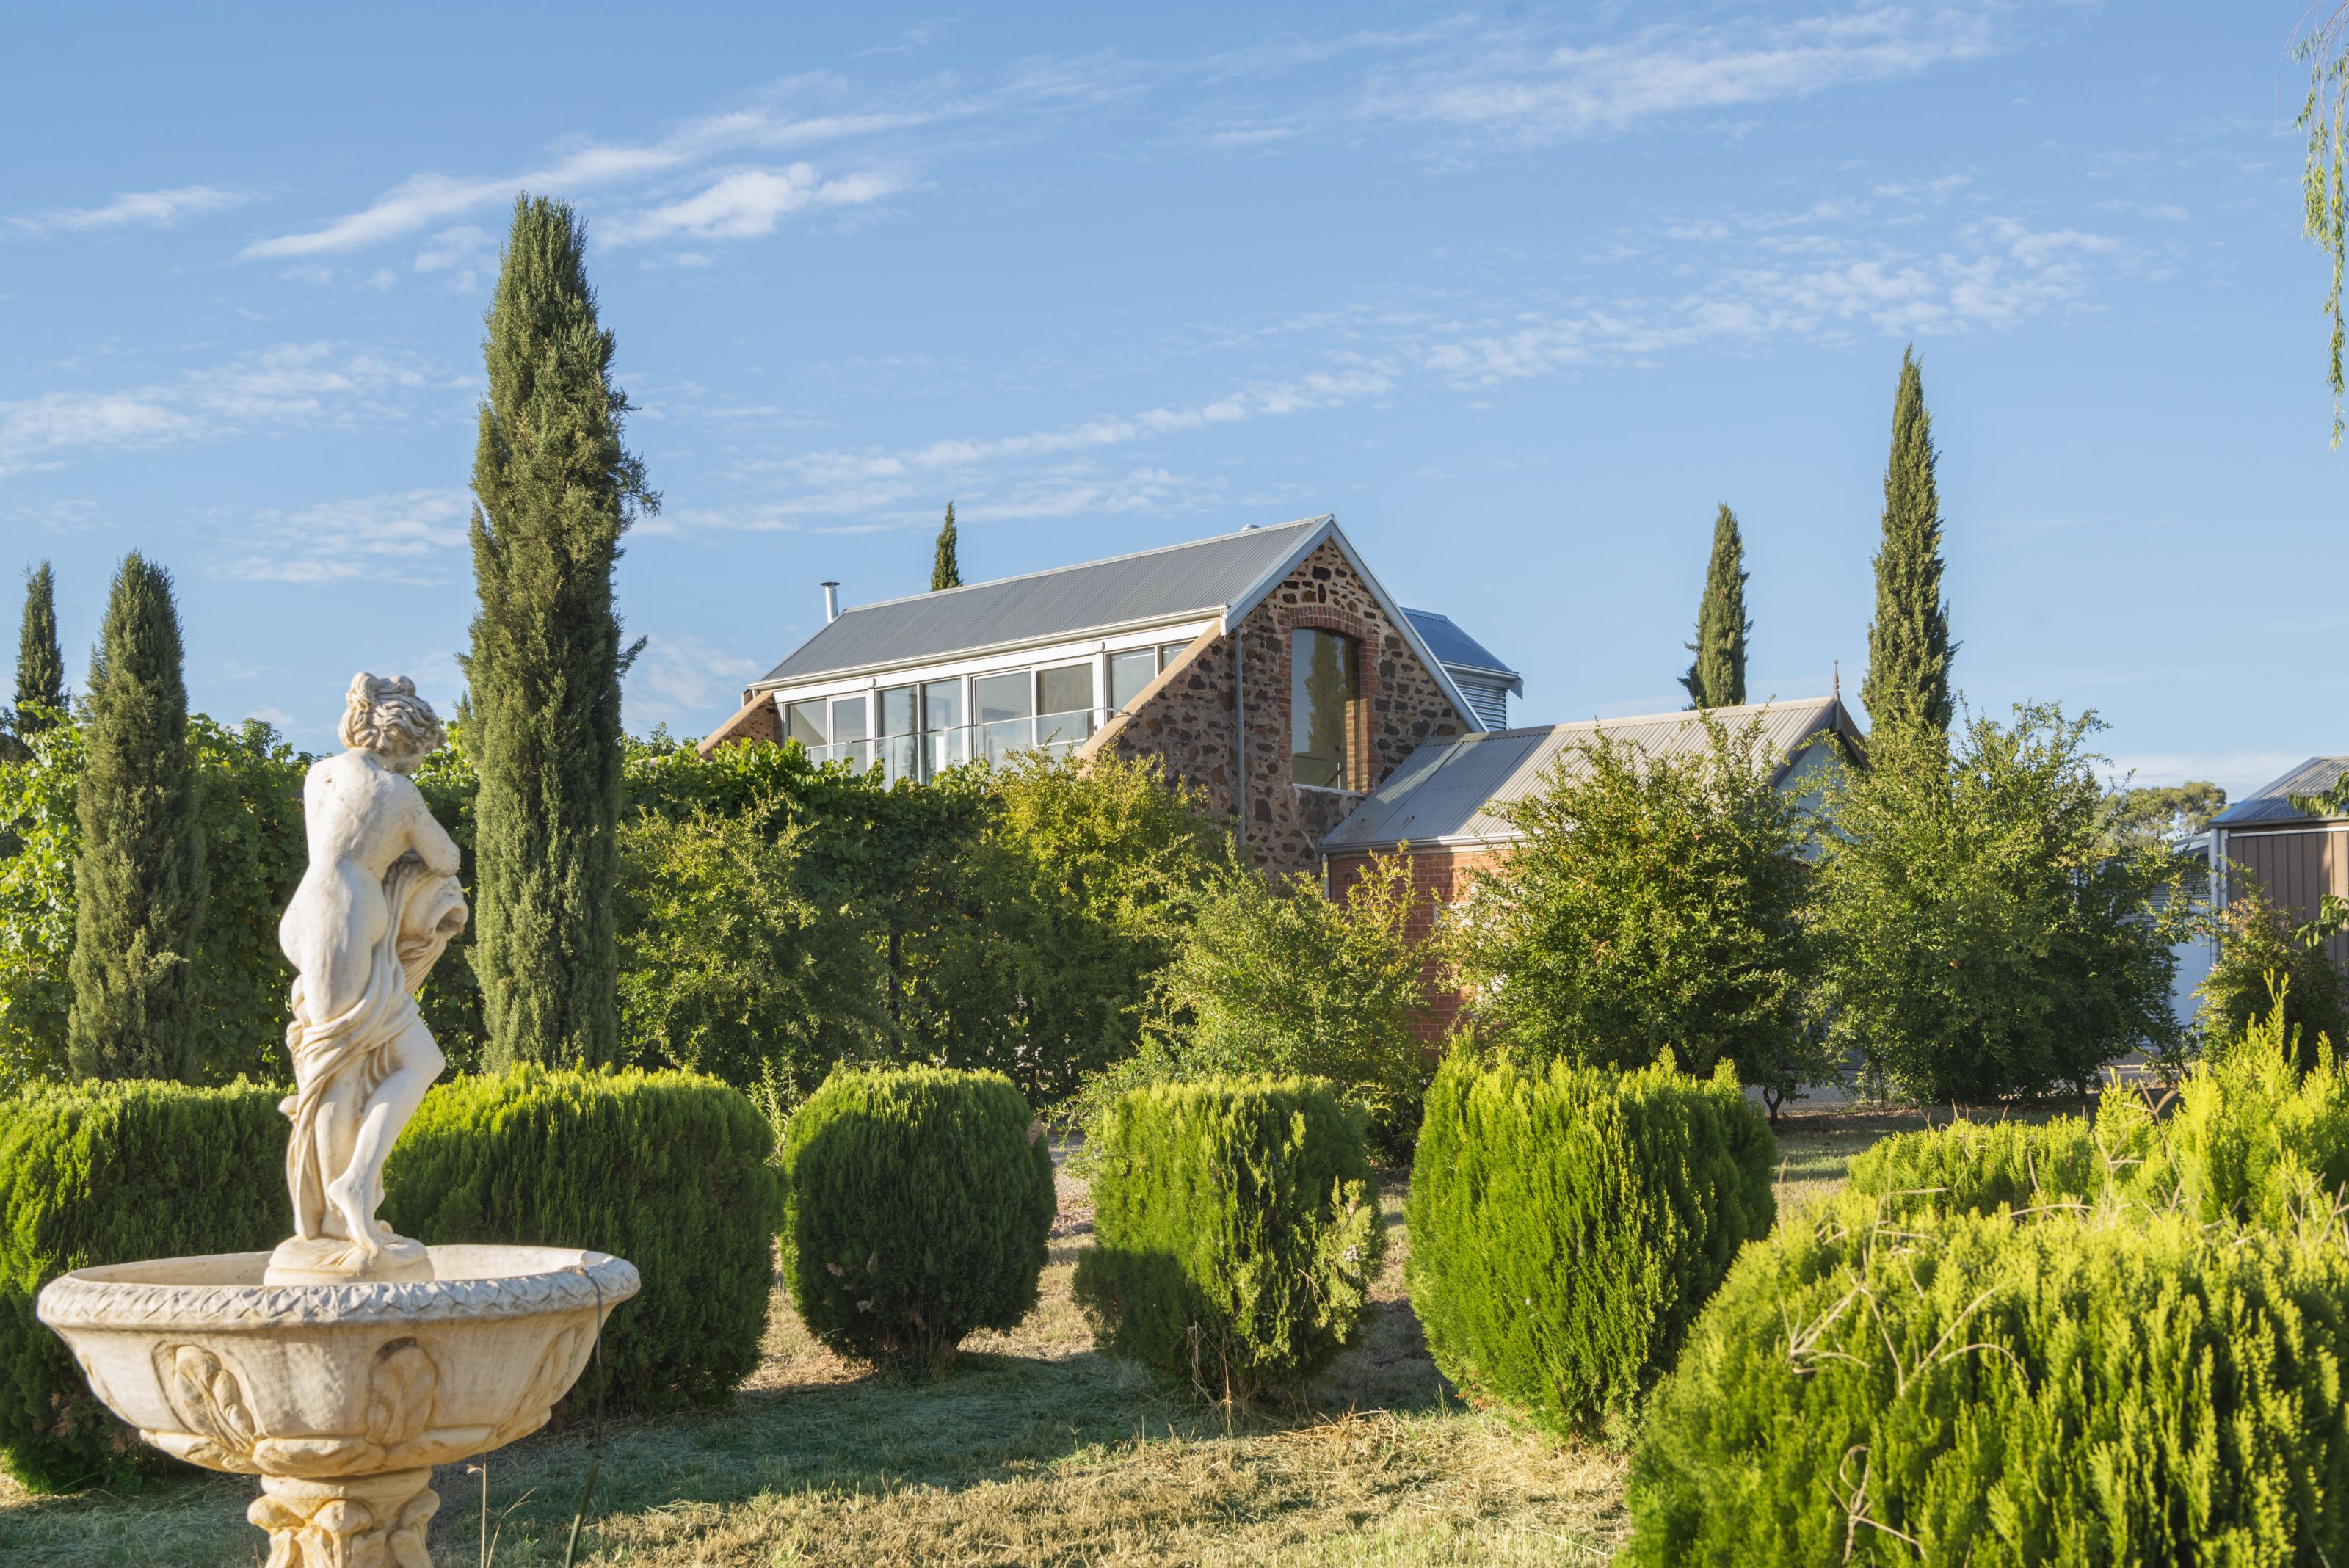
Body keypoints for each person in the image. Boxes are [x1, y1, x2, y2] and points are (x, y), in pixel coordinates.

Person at [272, 672, 465, 1281]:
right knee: (339, 1069)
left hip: (309, 911)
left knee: (407, 1060)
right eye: (419, 754)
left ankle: (353, 1185)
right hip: (346, 921)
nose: (417, 765)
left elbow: (324, 849)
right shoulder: (398, 793)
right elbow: (447, 859)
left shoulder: (320, 773)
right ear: (403, 741)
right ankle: (337, 1213)